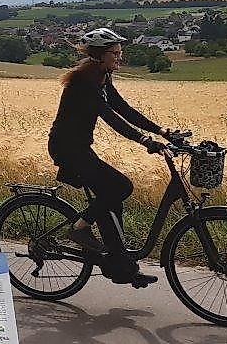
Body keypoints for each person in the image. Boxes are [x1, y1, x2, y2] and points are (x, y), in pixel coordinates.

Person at [48, 28, 171, 286]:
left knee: (112, 202)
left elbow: (124, 109)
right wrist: (144, 141)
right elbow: (111, 117)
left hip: (80, 147)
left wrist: (162, 131)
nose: (119, 57)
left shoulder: (103, 78)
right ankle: (79, 228)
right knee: (121, 187)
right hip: (67, 149)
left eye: (119, 52)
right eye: (115, 53)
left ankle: (120, 266)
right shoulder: (84, 82)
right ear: (100, 55)